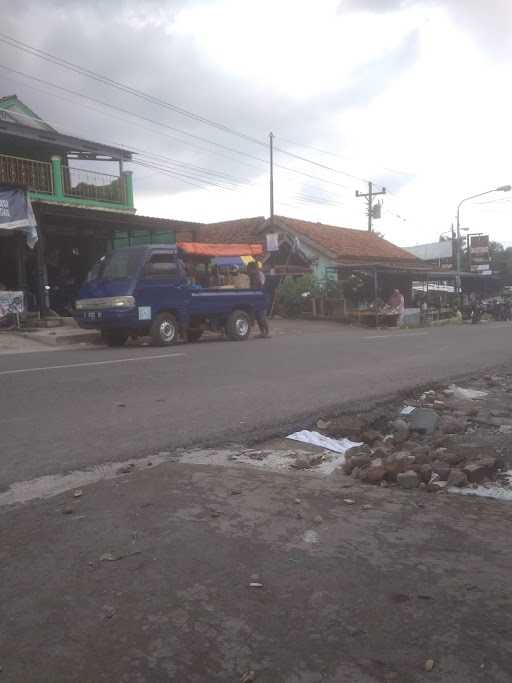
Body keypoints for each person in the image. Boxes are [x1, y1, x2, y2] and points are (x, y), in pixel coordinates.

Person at [247, 261, 270, 338]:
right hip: (258, 296)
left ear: (252, 268)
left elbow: (258, 286)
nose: (247, 270)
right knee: (258, 315)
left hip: (261, 297)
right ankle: (262, 332)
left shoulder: (256, 274)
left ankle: (266, 332)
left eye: (248, 268)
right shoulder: (254, 274)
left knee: (261, 315)